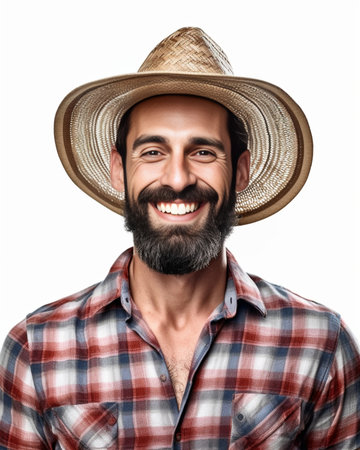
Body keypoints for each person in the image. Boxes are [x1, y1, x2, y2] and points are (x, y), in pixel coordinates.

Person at [1, 27, 359, 449]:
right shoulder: (37, 350)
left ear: (240, 171)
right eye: (153, 152)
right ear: (119, 169)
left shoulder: (320, 344)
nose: (177, 178)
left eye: (203, 152)